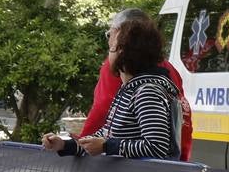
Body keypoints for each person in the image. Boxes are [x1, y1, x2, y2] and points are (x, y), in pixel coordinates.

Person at [42, 10, 182, 161]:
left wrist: (106, 146)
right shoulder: (131, 90)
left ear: (123, 52)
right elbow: (106, 136)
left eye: (112, 48)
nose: (109, 54)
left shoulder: (147, 92)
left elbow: (156, 146)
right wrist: (65, 145)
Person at [79, 8, 193, 160]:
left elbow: (102, 110)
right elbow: (109, 130)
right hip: (168, 166)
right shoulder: (168, 71)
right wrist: (75, 146)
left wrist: (98, 147)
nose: (109, 48)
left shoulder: (146, 90)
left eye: (110, 34)